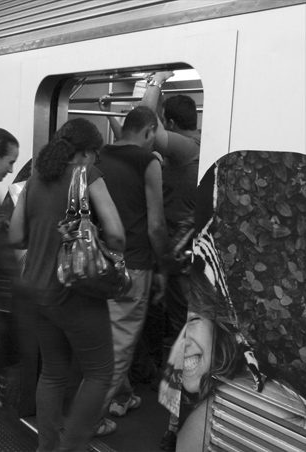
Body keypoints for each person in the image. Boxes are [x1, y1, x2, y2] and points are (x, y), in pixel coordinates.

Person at [9, 118, 126, 451]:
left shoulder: (34, 180)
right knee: (100, 372)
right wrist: (108, 254)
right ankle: (71, 447)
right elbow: (116, 233)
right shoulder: (86, 175)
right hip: (75, 292)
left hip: (36, 293)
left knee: (53, 373)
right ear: (87, 152)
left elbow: (16, 236)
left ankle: (46, 448)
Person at [94, 106, 169, 431]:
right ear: (150, 130)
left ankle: (121, 397)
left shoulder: (99, 156)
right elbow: (156, 226)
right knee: (121, 345)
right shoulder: (148, 162)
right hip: (134, 263)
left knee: (109, 338)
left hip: (98, 261)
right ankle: (90, 420)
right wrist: (165, 267)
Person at [172, 271, 306, 451]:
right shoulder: (266, 383)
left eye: (193, 319)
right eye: (174, 324)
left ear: (217, 323)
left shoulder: (218, 412)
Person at [141, 71, 201, 450]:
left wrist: (155, 82)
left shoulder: (183, 147)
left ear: (174, 123)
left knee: (184, 333)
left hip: (178, 252)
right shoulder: (200, 143)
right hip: (191, 248)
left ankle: (177, 422)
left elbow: (145, 126)